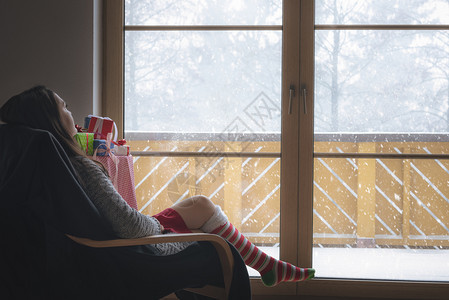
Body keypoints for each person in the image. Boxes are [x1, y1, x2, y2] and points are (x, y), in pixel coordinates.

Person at [0, 86, 315, 288]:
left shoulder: (50, 170)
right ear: (51, 119)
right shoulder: (80, 166)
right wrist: (160, 228)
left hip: (112, 244)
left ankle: (266, 266)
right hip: (133, 251)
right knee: (212, 228)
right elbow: (130, 227)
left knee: (199, 204)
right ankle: (265, 265)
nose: (70, 112)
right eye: (64, 107)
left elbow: (113, 220)